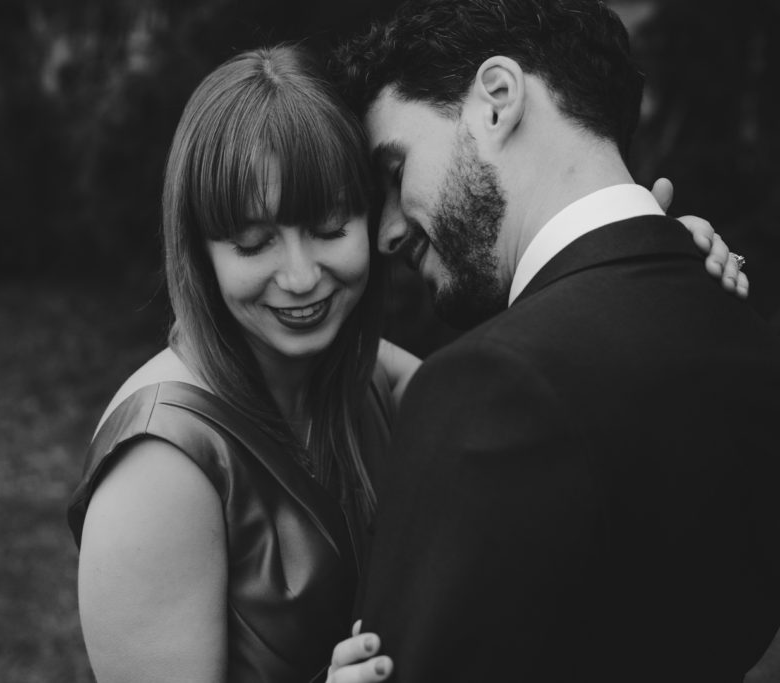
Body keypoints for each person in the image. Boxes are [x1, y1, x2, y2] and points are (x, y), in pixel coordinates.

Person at [66, 44, 741, 683]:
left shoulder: (376, 379)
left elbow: (547, 426)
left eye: (331, 228)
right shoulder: (159, 466)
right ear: (201, 252)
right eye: (253, 242)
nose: (300, 276)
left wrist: (643, 275)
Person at [332, 1, 780, 681]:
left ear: (499, 100)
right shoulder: (740, 324)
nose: (387, 233)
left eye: (394, 174)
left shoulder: (490, 383)